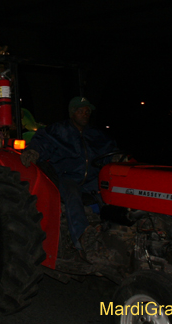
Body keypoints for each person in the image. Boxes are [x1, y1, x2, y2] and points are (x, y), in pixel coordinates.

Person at [21, 96, 116, 255]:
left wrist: (117, 158)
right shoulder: (59, 130)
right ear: (72, 113)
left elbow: (109, 149)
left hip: (92, 179)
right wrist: (33, 152)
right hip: (68, 177)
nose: (85, 114)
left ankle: (113, 235)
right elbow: (43, 141)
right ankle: (82, 238)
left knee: (110, 194)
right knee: (72, 195)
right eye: (81, 111)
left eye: (87, 111)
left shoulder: (95, 134)